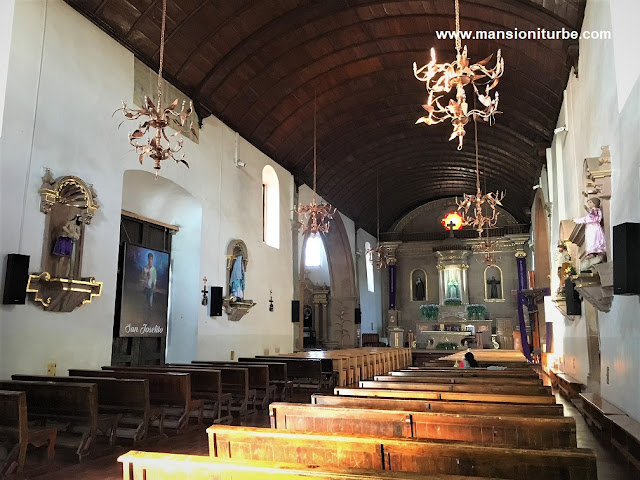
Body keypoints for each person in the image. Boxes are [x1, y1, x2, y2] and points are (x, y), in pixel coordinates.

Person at [573, 198, 606, 271]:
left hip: (594, 228)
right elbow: (589, 216)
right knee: (590, 241)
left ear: (595, 203)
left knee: (594, 240)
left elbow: (589, 217)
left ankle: (594, 253)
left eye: (590, 202)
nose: (589, 204)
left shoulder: (596, 210)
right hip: (590, 228)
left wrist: (576, 220)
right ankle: (592, 253)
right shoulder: (592, 212)